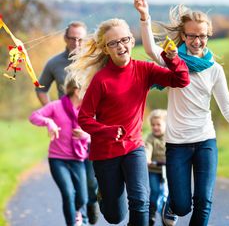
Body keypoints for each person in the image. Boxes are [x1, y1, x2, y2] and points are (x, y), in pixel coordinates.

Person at [67, 17, 190, 226]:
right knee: (115, 217)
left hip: (134, 147)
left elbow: (181, 80)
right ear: (106, 49)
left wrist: (173, 59)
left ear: (132, 41)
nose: (120, 46)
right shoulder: (101, 80)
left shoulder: (144, 70)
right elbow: (84, 118)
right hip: (105, 152)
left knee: (141, 200)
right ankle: (103, 196)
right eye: (113, 43)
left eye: (124, 40)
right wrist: (106, 131)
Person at [134, 0, 229, 226]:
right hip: (177, 143)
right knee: (181, 205)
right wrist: (145, 17)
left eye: (203, 36)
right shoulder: (173, 61)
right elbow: (149, 50)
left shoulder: (214, 70)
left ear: (208, 35)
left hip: (205, 140)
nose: (198, 41)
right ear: (183, 35)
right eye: (192, 36)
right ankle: (171, 205)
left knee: (204, 202)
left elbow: (227, 107)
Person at [35, 21, 99, 225]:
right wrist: (52, 112)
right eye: (72, 38)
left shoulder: (94, 62)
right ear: (65, 38)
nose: (76, 43)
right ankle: (83, 215)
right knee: (77, 182)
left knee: (91, 180)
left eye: (80, 39)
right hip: (69, 130)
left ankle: (91, 202)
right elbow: (41, 88)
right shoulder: (54, 63)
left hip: (93, 127)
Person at [29, 77, 90, 226]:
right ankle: (72, 223)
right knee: (68, 193)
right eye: (86, 89)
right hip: (58, 159)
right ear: (76, 90)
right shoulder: (56, 106)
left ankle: (77, 213)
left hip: (78, 159)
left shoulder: (88, 109)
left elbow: (97, 132)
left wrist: (86, 135)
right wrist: (49, 122)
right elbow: (34, 116)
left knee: (82, 198)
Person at [145, 109, 168, 226]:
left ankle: (167, 214)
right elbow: (147, 148)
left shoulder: (169, 136)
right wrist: (147, 159)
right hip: (153, 169)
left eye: (158, 124)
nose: (155, 127)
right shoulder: (150, 138)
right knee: (154, 192)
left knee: (167, 193)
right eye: (153, 125)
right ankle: (151, 214)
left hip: (167, 170)